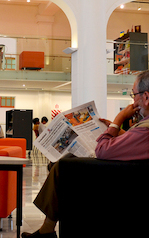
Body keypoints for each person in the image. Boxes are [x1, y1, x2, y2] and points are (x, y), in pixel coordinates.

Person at [21, 70, 149, 238]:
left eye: (134, 95)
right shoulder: (144, 127)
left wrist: (118, 120)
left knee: (62, 166)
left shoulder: (145, 129)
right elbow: (134, 144)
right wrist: (115, 130)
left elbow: (103, 150)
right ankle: (47, 228)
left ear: (146, 97)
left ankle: (47, 229)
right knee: (59, 164)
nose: (133, 101)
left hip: (118, 182)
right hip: (125, 175)